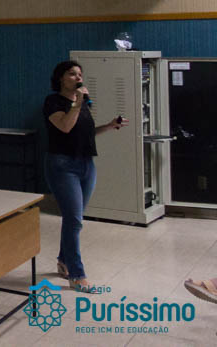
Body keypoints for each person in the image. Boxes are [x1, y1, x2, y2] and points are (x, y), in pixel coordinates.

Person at [43, 60, 127, 292]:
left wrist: (109, 126)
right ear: (61, 78)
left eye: (80, 74)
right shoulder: (53, 102)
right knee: (74, 220)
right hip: (62, 165)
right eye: (72, 74)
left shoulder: (81, 104)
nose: (78, 77)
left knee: (75, 218)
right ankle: (77, 275)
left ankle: (63, 260)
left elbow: (85, 133)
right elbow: (65, 127)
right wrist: (78, 103)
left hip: (86, 164)